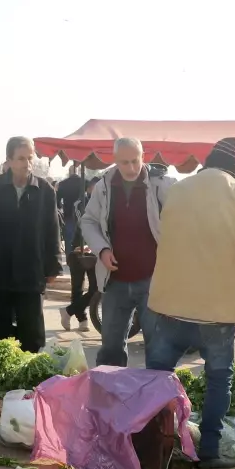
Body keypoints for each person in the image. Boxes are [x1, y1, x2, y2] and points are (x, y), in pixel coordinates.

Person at [145, 137, 235, 469]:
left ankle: (149, 452)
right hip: (215, 313)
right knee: (219, 379)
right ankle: (208, 454)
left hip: (169, 304)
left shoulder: (178, 189)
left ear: (208, 162)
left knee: (156, 380)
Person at [81, 137, 175, 367]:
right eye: (125, 162)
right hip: (116, 281)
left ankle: (157, 401)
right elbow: (89, 222)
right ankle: (111, 396)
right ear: (114, 160)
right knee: (111, 348)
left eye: (135, 161)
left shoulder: (163, 185)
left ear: (144, 157)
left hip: (153, 281)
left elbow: (184, 221)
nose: (131, 168)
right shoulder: (103, 186)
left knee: (158, 348)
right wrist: (102, 250)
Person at [0, 136, 60, 353]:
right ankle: (0, 381)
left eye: (30, 158)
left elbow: (52, 230)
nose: (26, 164)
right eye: (21, 158)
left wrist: (53, 265)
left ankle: (28, 382)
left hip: (30, 270)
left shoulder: (44, 190)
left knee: (32, 333)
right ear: (8, 160)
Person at [63, 176, 102, 333]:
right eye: (96, 187)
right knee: (77, 287)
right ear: (89, 188)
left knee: (95, 287)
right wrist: (84, 244)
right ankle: (82, 319)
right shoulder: (81, 203)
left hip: (94, 250)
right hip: (78, 248)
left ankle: (68, 311)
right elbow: (84, 224)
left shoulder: (103, 203)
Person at [56, 172, 87, 256]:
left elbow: (57, 199)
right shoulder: (84, 182)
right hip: (83, 213)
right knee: (82, 236)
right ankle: (81, 254)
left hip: (68, 213)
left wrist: (60, 207)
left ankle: (70, 257)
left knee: (69, 238)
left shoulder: (63, 184)